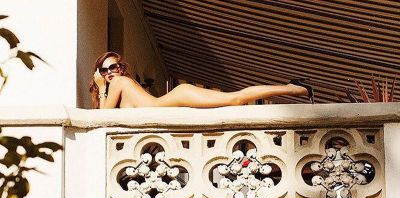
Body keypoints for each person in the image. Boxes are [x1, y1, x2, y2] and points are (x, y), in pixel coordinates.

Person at [89, 52, 314, 109]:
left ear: (121, 69)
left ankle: (294, 88)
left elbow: (104, 119)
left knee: (235, 99)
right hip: (178, 99)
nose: (110, 72)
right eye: (105, 69)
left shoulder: (118, 83)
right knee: (234, 101)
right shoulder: (120, 89)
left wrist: (101, 88)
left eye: (114, 67)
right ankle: (294, 88)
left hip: (180, 96)